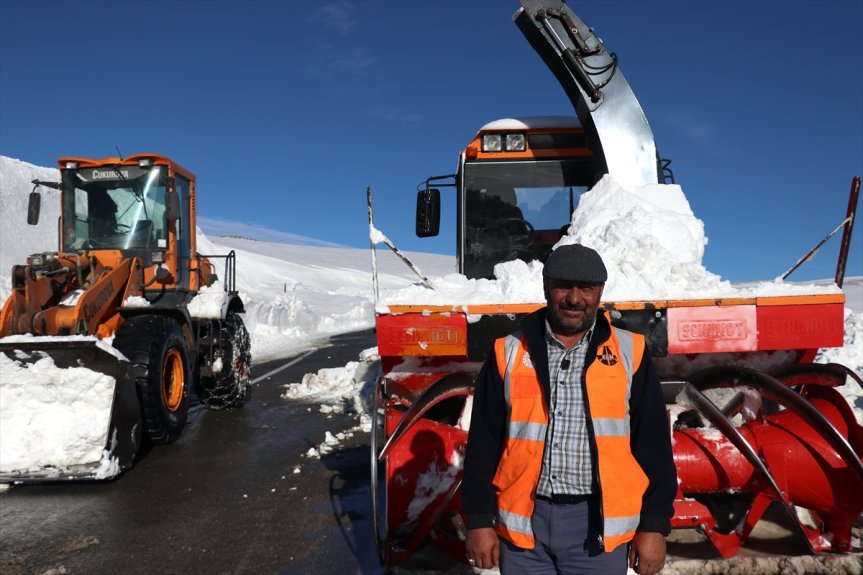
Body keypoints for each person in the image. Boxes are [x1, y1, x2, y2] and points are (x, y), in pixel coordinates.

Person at [461, 243, 676, 575]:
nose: (575, 298)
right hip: (524, 525)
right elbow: (483, 443)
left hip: (596, 528)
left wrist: (654, 525)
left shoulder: (630, 352)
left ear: (600, 291)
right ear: (546, 286)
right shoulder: (509, 351)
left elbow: (653, 445)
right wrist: (477, 519)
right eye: (564, 285)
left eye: (586, 288)